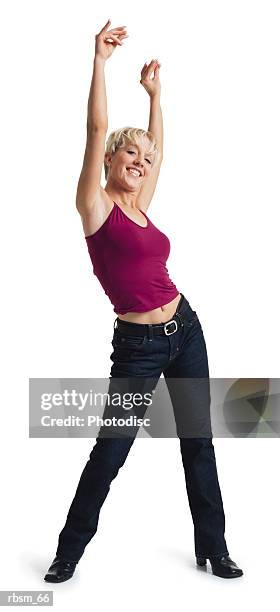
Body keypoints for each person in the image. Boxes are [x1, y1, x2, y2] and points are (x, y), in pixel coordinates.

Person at [44, 19, 243, 583]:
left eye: (143, 157)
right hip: (137, 348)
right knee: (111, 452)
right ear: (108, 160)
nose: (139, 160)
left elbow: (161, 153)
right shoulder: (95, 207)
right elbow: (95, 126)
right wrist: (100, 64)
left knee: (198, 440)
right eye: (128, 153)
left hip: (186, 330)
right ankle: (68, 552)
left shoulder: (140, 203)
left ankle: (215, 547)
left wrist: (156, 98)